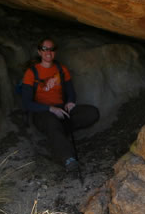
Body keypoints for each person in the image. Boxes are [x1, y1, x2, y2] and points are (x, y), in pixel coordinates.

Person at [19, 38, 99, 172]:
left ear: (55, 52)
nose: (48, 52)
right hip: (42, 112)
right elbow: (27, 103)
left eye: (51, 49)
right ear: (39, 52)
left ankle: (58, 134)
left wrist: (70, 102)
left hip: (61, 110)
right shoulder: (31, 73)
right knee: (51, 122)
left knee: (92, 113)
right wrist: (50, 108)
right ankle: (68, 159)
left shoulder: (61, 70)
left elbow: (71, 92)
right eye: (45, 49)